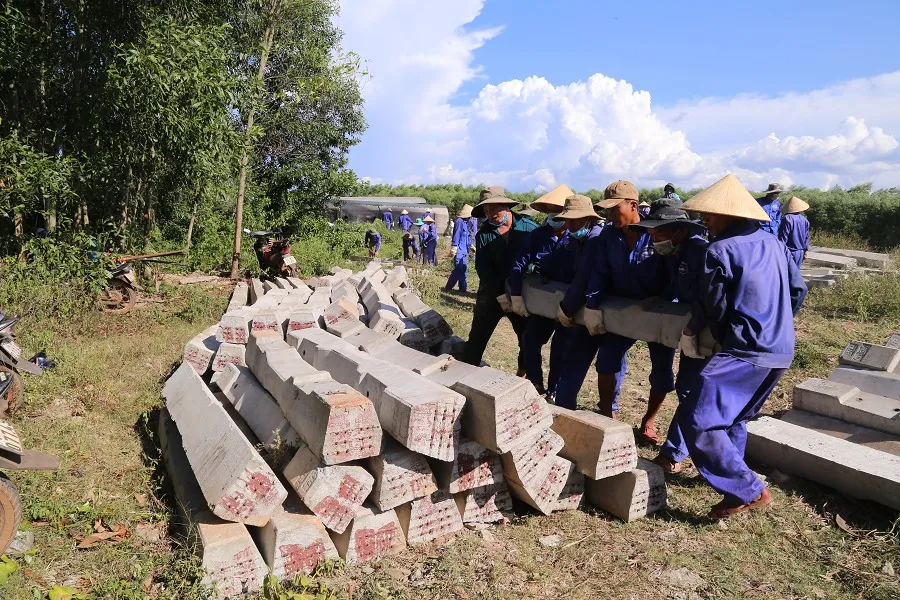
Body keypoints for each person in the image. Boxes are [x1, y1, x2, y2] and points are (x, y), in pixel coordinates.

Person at [675, 173, 806, 518]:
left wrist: (717, 336)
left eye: (710, 215)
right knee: (735, 416)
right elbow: (797, 291)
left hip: (745, 349)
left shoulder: (717, 251)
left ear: (729, 215)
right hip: (780, 349)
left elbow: (714, 306)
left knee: (698, 418)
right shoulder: (774, 243)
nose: (705, 221)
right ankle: (734, 487)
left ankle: (748, 489)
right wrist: (777, 321)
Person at [617, 198, 710, 472]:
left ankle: (673, 454)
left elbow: (712, 298)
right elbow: (674, 287)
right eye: (652, 232)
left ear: (679, 230)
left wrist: (696, 327)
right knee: (687, 387)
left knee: (692, 389)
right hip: (689, 327)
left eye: (659, 232)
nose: (653, 237)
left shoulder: (701, 253)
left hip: (707, 330)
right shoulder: (672, 253)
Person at [579, 181, 675, 445]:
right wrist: (592, 305)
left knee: (662, 372)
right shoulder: (608, 236)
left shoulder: (655, 232)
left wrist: (666, 301)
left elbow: (673, 272)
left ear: (633, 206)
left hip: (657, 311)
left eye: (614, 209)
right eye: (607, 210)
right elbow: (599, 272)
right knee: (607, 360)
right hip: (622, 310)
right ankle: (607, 414)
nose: (610, 216)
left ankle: (649, 421)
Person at [506, 184, 574, 396]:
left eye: (560, 212)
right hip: (543, 300)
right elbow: (519, 265)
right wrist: (516, 295)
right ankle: (535, 383)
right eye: (551, 212)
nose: (555, 216)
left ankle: (555, 390)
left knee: (560, 350)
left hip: (570, 303)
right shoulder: (539, 235)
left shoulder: (579, 237)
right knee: (530, 339)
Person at [461, 186, 538, 373]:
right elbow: (484, 269)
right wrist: (501, 296)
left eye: (494, 208)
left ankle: (523, 377)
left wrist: (520, 294)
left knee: (527, 338)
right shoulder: (484, 234)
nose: (490, 213)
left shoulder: (529, 229)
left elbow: (540, 260)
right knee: (477, 338)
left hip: (522, 293)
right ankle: (463, 376)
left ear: (505, 205)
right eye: (486, 210)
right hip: (492, 294)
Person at [445, 204, 474, 292]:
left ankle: (463, 288)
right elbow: (457, 235)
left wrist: (471, 246)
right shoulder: (459, 222)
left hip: (464, 251)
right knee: (458, 270)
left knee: (464, 270)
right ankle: (448, 288)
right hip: (459, 251)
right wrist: (454, 247)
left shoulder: (465, 223)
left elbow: (465, 237)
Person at [778, 196, 810, 269]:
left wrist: (780, 252)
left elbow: (783, 237)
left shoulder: (787, 219)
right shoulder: (804, 220)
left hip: (790, 251)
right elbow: (806, 238)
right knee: (796, 274)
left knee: (787, 275)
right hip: (800, 252)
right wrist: (805, 252)